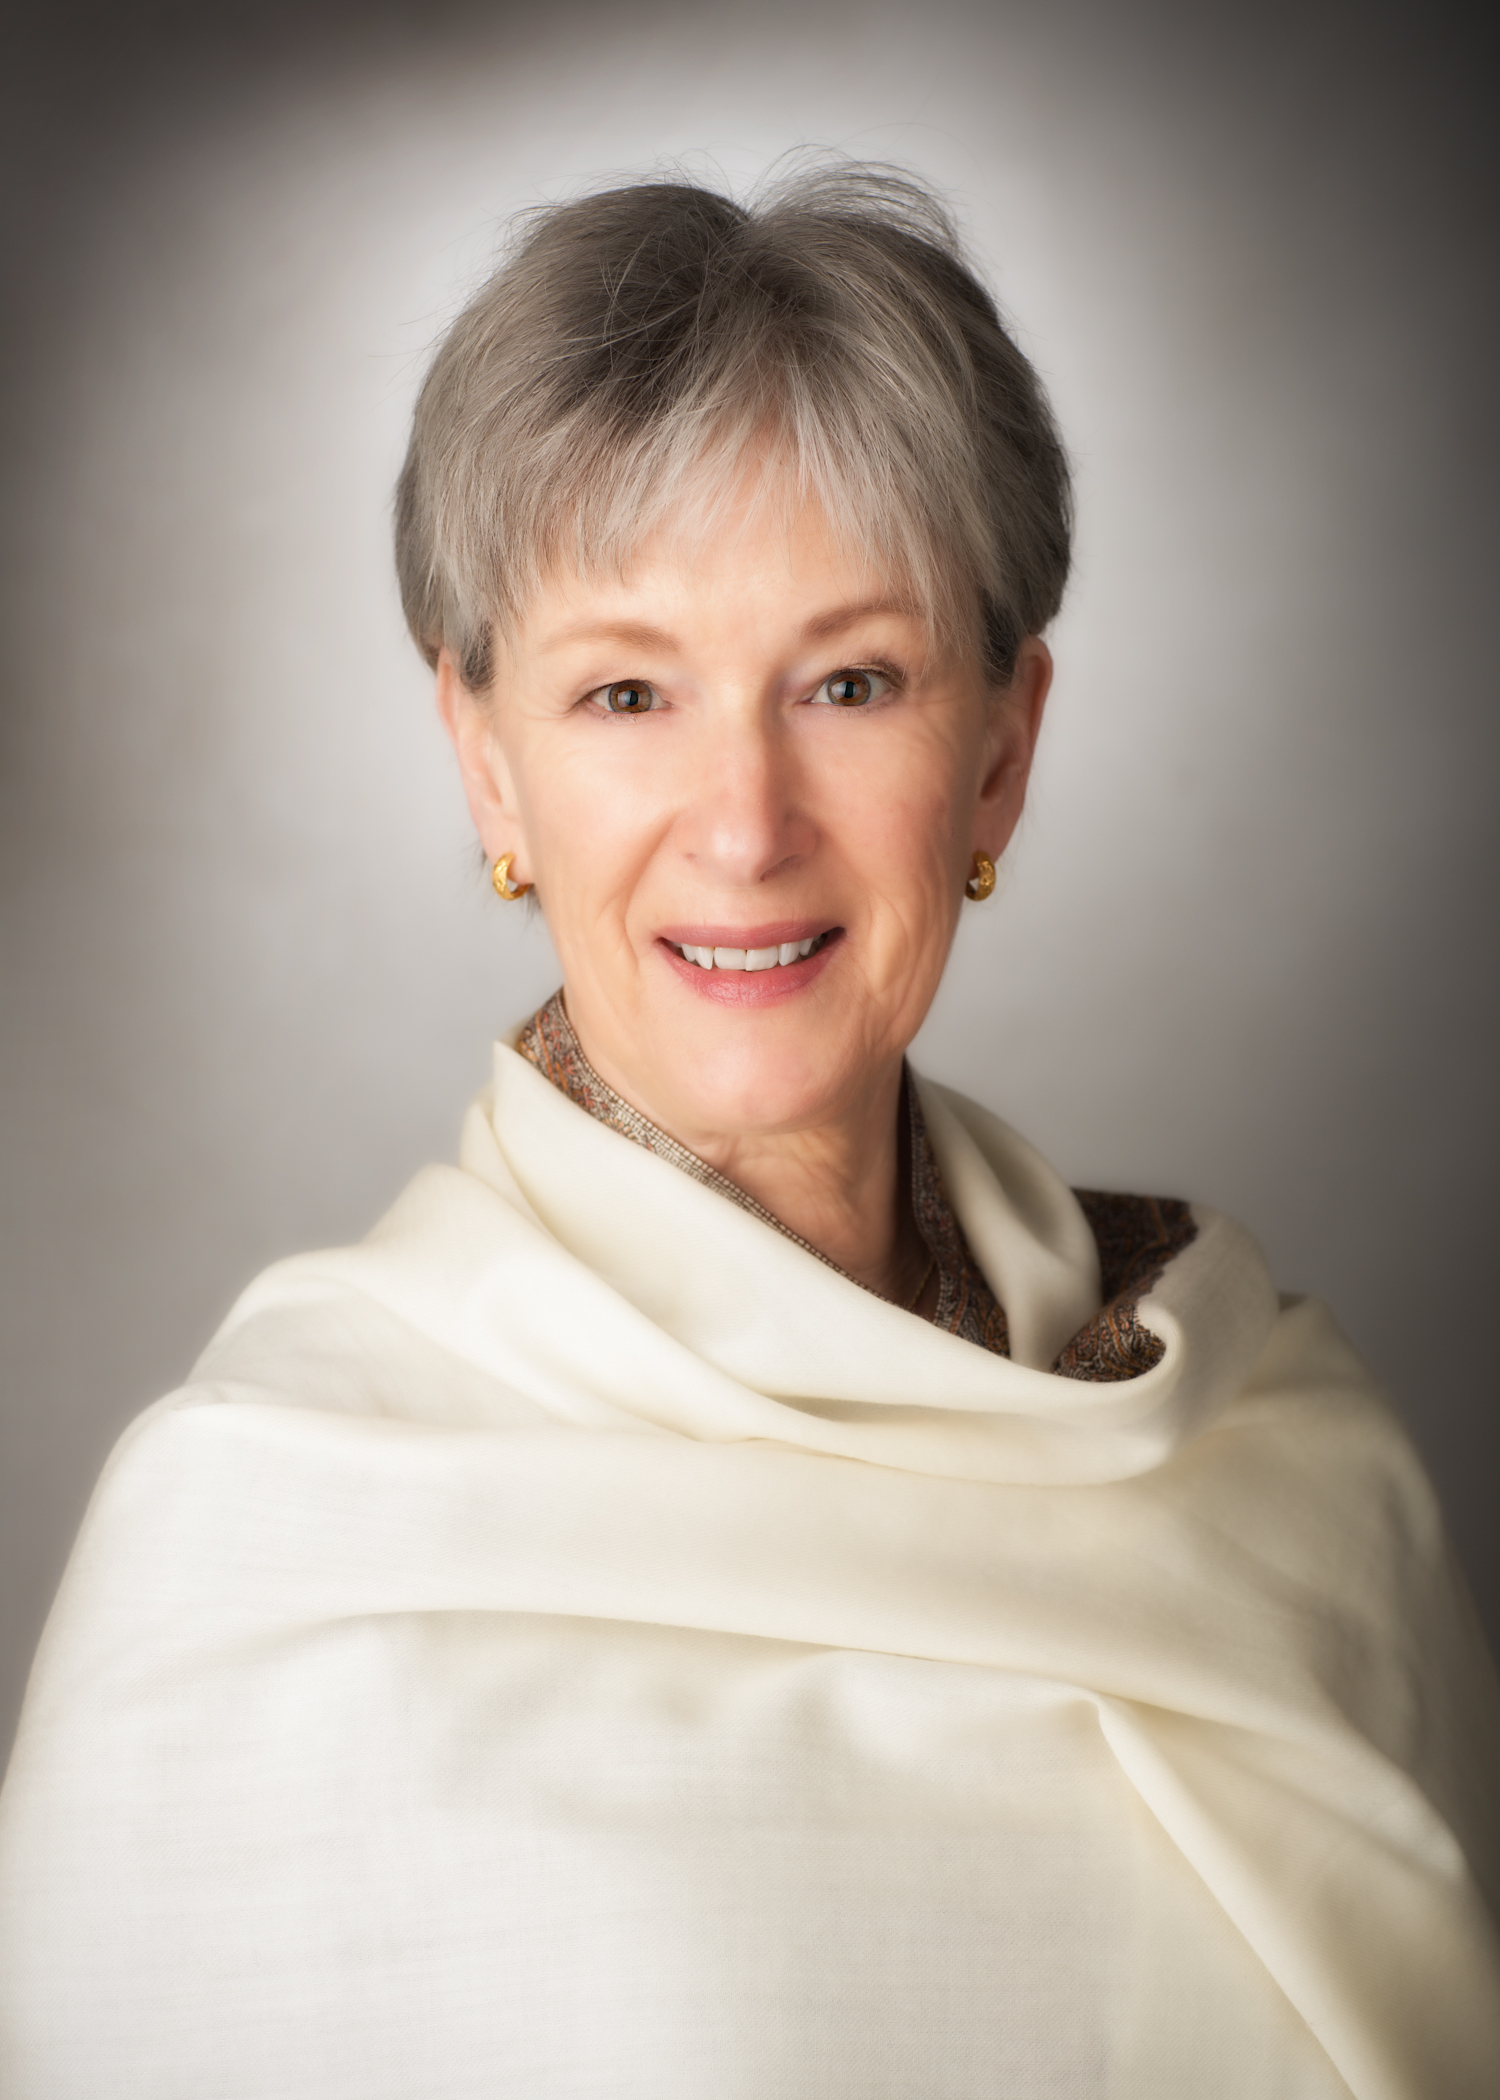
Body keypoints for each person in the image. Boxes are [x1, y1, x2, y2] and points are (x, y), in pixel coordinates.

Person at [0, 162, 1496, 2100]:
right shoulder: (255, 1545)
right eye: (627, 692)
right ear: (486, 763)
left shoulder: (1281, 1460)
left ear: (1003, 749)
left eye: (850, 682)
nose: (744, 823)